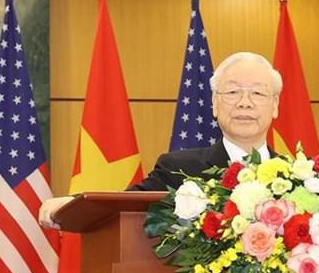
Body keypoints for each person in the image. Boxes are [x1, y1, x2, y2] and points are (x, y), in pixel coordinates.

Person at [38, 52, 282, 228]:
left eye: (258, 93)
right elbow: (125, 205)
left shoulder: (302, 179)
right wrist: (73, 205)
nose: (244, 102)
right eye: (232, 92)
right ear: (214, 105)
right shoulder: (179, 169)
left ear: (275, 106)